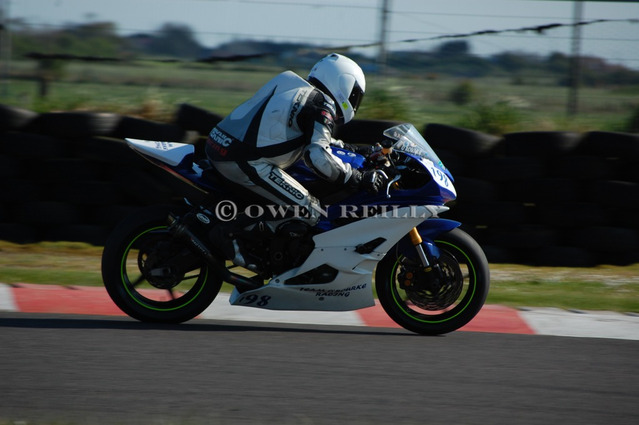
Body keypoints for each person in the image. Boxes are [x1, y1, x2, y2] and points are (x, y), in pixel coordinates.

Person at [205, 53, 387, 266]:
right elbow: (317, 156)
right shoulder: (322, 105)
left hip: (220, 145)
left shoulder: (294, 86)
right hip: (245, 161)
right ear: (344, 84)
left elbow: (317, 139)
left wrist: (358, 150)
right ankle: (230, 234)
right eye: (355, 94)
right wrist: (355, 177)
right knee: (310, 210)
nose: (354, 101)